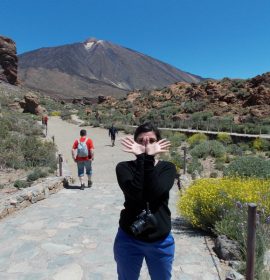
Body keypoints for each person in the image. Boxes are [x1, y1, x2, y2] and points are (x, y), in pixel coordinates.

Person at [114, 122, 176, 280]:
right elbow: (136, 194)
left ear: (159, 143)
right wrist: (144, 158)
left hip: (160, 241)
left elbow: (155, 193)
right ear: (134, 143)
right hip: (129, 238)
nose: (146, 145)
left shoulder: (167, 168)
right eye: (141, 141)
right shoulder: (124, 168)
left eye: (151, 141)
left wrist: (146, 159)